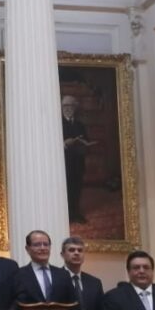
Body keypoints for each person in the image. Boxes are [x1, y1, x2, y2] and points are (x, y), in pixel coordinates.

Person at [13, 230, 83, 310]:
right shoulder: (19, 275)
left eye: (46, 244)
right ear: (27, 248)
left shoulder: (63, 275)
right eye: (37, 244)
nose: (42, 248)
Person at [60, 236, 106, 310]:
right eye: (71, 250)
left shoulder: (95, 282)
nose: (76, 253)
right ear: (62, 254)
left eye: (80, 250)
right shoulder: (56, 279)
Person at [62, 95, 90, 224]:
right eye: (65, 106)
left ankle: (75, 213)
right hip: (64, 163)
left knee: (77, 187)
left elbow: (86, 139)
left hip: (78, 161)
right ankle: (65, 215)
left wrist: (86, 144)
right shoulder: (57, 123)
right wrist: (64, 143)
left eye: (71, 106)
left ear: (75, 108)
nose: (68, 108)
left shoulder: (80, 125)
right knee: (65, 188)